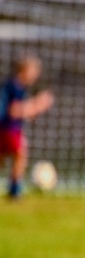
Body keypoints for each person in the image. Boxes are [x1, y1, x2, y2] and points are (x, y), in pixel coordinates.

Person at [2, 56, 54, 200]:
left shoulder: (20, 87)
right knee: (20, 154)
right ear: (24, 71)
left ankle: (15, 190)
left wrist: (35, 108)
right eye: (33, 72)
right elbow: (13, 111)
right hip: (6, 129)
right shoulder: (14, 87)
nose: (35, 76)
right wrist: (38, 104)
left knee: (19, 154)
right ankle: (15, 190)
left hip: (11, 130)